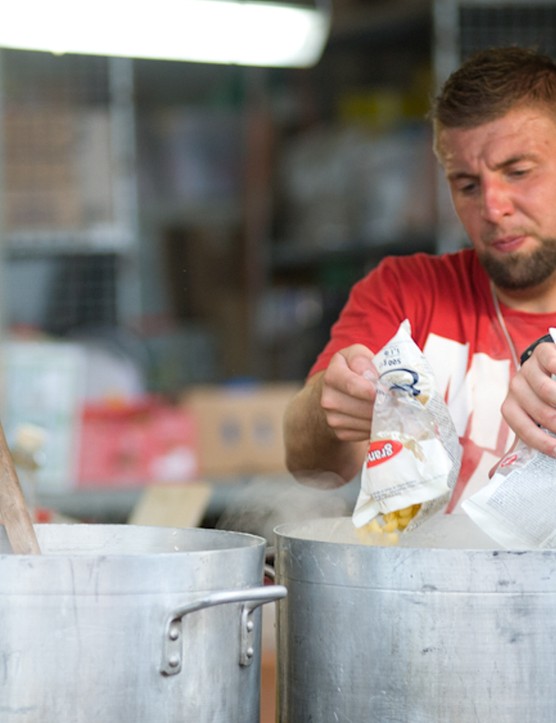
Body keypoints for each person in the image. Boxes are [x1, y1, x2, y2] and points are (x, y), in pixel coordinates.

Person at [284, 45, 556, 512]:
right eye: (467, 185)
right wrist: (329, 410)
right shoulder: (404, 292)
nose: (493, 208)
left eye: (519, 172)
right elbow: (311, 465)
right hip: (419, 584)